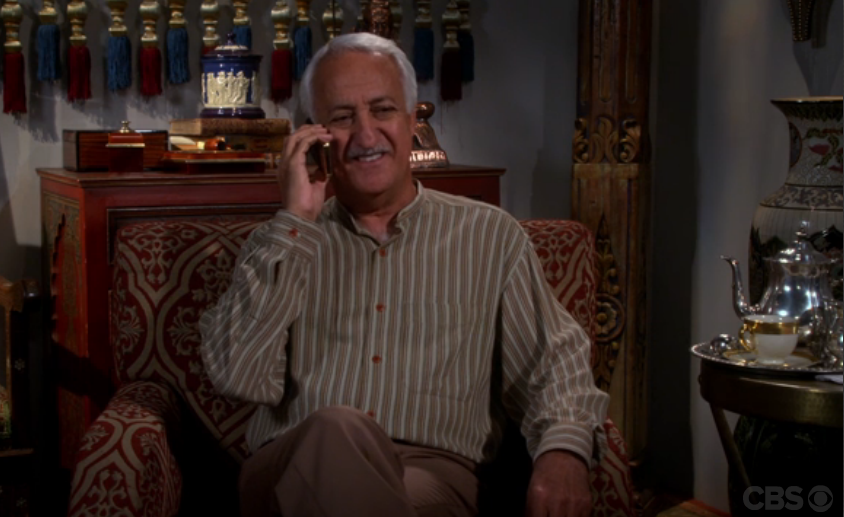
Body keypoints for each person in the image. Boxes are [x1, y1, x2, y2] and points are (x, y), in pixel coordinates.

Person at [199, 32, 609, 517]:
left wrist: (563, 452)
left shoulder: (490, 236)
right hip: (291, 467)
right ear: (314, 136)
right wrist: (295, 223)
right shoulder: (280, 243)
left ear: (413, 120)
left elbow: (553, 363)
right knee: (335, 430)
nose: (366, 136)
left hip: (432, 476)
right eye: (343, 117)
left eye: (383, 110)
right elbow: (240, 377)